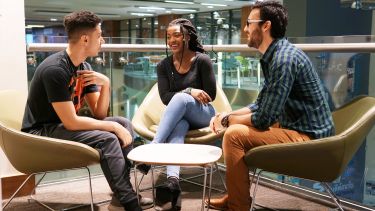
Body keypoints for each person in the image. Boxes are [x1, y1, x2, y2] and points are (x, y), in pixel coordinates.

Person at [206, 1, 335, 211]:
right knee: (235, 129)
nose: (245, 29)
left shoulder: (283, 60)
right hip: (295, 127)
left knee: (234, 135)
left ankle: (237, 205)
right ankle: (235, 197)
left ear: (265, 26)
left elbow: (264, 117)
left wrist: (227, 122)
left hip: (311, 139)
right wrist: (228, 115)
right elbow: (260, 104)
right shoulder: (276, 55)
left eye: (249, 23)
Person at [21, 10, 152, 211]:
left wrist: (106, 84)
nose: (103, 41)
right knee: (108, 137)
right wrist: (112, 128)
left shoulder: (83, 66)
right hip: (41, 131)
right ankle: (129, 202)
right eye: (99, 35)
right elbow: (72, 122)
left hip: (62, 125)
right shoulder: (55, 70)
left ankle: (120, 195)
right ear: (85, 38)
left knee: (123, 123)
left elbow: (99, 114)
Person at [139, 18, 217, 207]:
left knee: (181, 99)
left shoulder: (202, 60)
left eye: (176, 35)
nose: (171, 40)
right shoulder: (163, 65)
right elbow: (166, 97)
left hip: (203, 113)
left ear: (187, 37)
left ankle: (153, 148)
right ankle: (173, 180)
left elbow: (212, 95)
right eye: (168, 37)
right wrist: (190, 91)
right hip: (181, 116)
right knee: (179, 127)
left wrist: (188, 94)